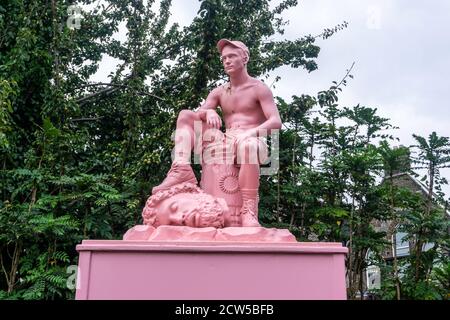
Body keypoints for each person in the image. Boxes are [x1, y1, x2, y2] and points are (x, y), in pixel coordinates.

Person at [152, 39, 282, 227]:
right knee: (186, 116)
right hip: (227, 138)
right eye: (224, 58)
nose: (227, 61)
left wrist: (250, 134)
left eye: (232, 56)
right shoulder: (220, 91)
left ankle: (248, 210)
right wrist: (209, 111)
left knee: (248, 146)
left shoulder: (258, 88)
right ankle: (181, 169)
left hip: (251, 140)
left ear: (244, 58)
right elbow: (198, 114)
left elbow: (276, 121)